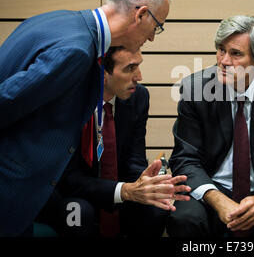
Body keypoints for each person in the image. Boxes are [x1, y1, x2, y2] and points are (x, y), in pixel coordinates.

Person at [0, 0, 173, 236]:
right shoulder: (78, 51)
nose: (151, 38)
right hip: (13, 188)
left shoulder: (58, 20)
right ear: (141, 15)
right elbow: (6, 102)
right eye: (157, 26)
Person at [36, 46, 191, 237]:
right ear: (102, 73)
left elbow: (134, 160)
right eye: (130, 69)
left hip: (117, 189)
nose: (139, 76)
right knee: (78, 213)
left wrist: (147, 183)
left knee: (156, 208)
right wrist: (124, 191)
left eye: (138, 67)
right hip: (65, 193)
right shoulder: (67, 102)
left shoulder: (138, 96)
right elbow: (66, 178)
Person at [167, 15, 254, 237]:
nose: (223, 61)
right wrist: (218, 200)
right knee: (183, 217)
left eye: (235, 54)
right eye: (220, 50)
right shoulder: (195, 90)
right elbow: (184, 159)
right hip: (213, 187)